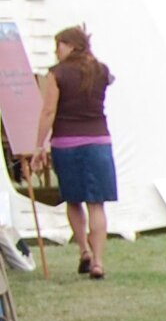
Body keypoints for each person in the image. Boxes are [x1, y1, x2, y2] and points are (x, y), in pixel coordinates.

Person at [28, 25, 116, 279]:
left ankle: (84, 250)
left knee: (74, 200)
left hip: (66, 142)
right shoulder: (101, 70)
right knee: (97, 204)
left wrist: (38, 144)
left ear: (71, 45)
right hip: (99, 140)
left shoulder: (58, 74)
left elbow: (48, 111)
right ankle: (98, 261)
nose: (56, 51)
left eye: (59, 45)